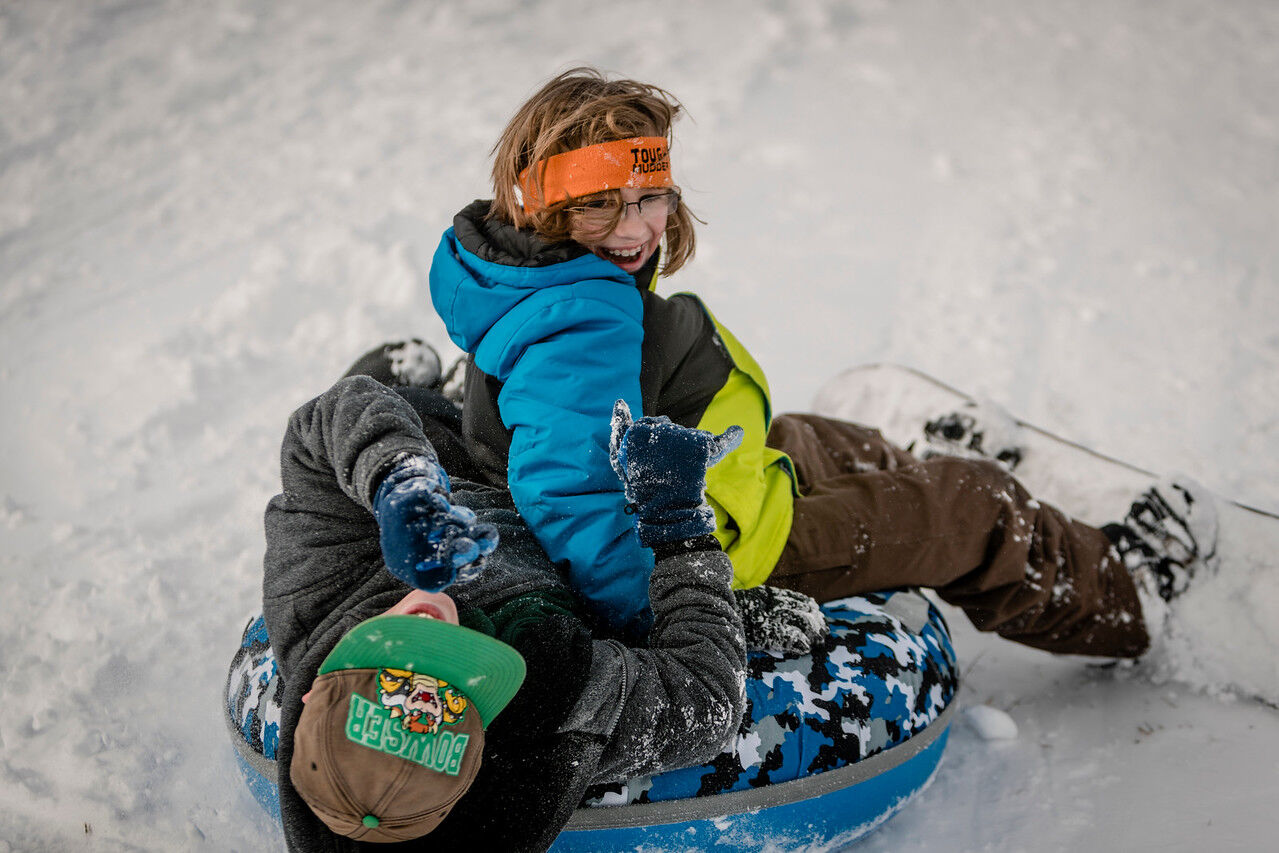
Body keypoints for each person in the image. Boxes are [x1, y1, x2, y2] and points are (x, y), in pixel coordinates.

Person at [426, 66, 1219, 658]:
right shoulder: (579, 328)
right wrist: (684, 614)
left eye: (650, 196)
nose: (636, 227)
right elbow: (576, 500)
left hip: (708, 476)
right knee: (968, 505)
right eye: (602, 204)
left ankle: (886, 470)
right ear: (546, 205)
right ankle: (1129, 595)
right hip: (703, 554)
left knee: (821, 438)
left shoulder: (544, 276)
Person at [261, 373, 748, 851]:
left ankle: (421, 374)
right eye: (449, 682)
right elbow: (707, 697)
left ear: (311, 696)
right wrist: (679, 521)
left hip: (452, 444)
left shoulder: (314, 603)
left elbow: (326, 423)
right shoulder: (553, 707)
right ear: (479, 752)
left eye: (387, 668)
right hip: (576, 518)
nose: (426, 625)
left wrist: (400, 482)